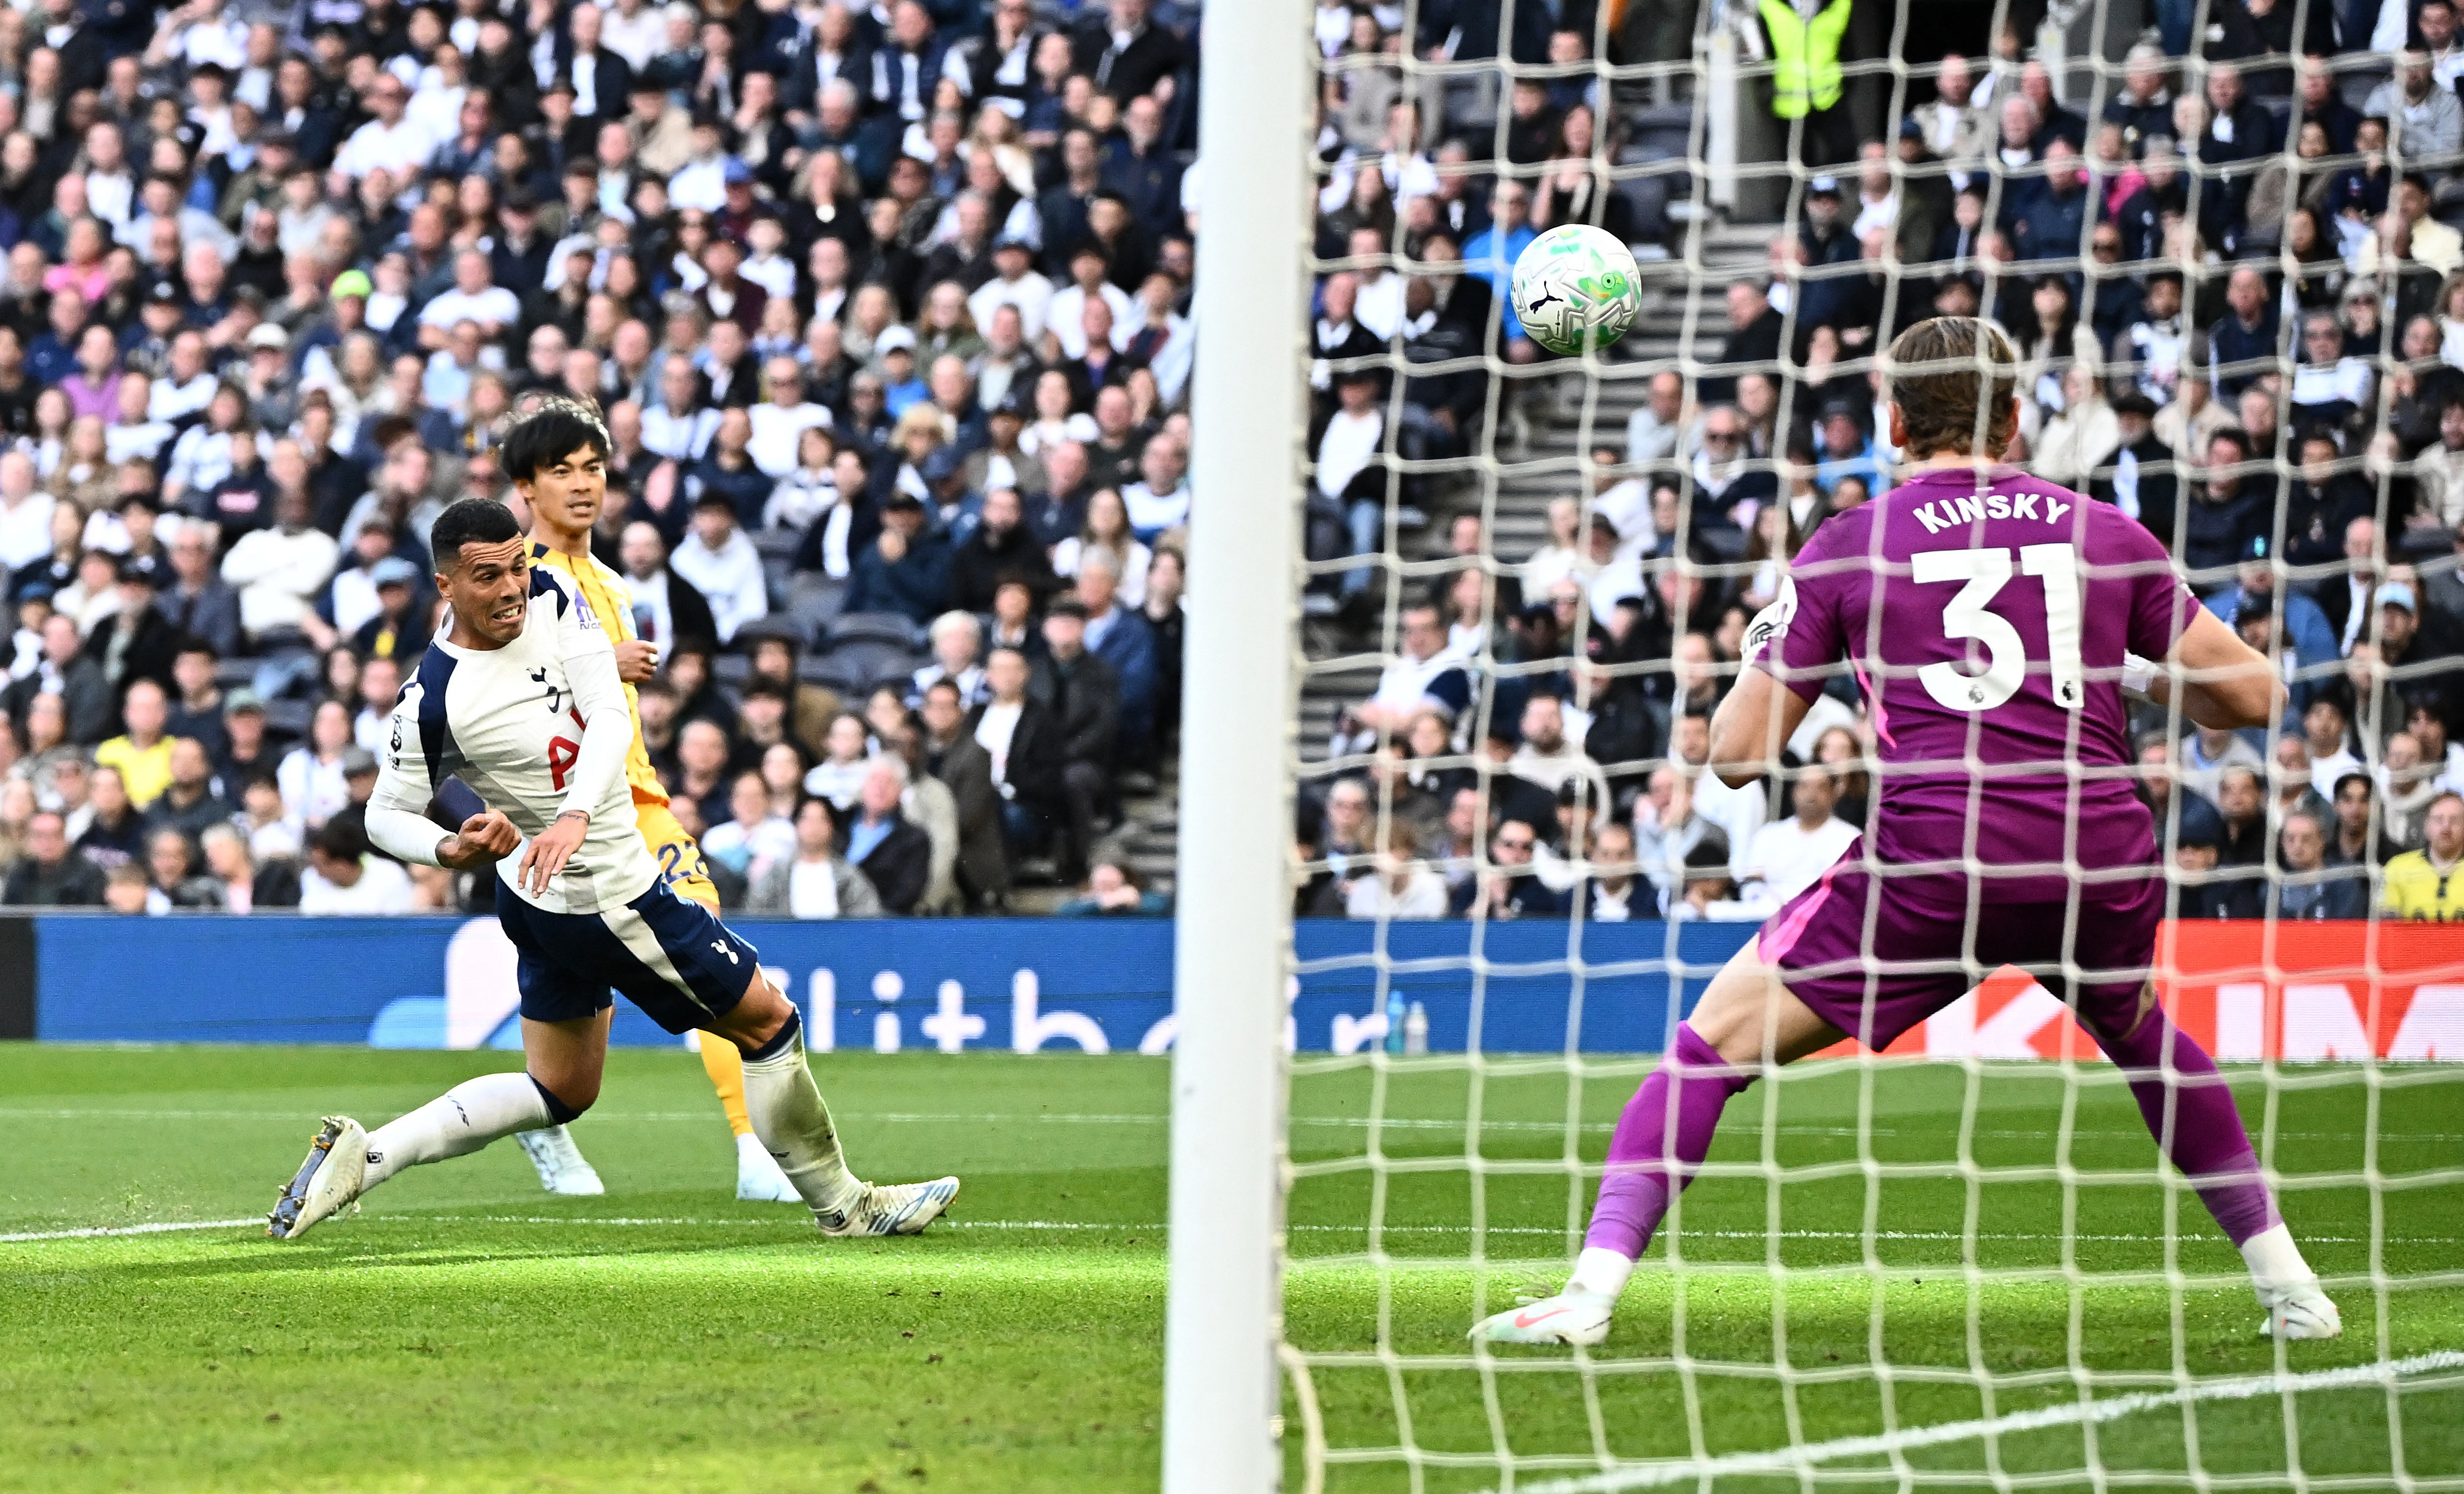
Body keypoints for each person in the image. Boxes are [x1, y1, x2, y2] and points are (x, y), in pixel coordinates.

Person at [1476, 316, 2339, 1348]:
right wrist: (2141, 672)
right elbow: (2252, 697)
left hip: (1937, 855)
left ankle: (1587, 1298)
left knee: (1706, 1050)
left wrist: (1771, 629)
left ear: (1892, 422)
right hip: (2092, 845)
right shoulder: (2103, 531)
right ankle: (2292, 1290)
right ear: (2014, 421)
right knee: (2141, 1036)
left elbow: (1738, 757)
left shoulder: (1848, 544)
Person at [267, 498, 956, 1244]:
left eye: (517, 565)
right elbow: (382, 813)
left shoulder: (554, 598)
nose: (510, 588)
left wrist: (571, 813)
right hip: (609, 897)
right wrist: (449, 848)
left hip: (546, 893)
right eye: (486, 575)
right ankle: (848, 1208)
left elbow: (608, 714)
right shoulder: (433, 699)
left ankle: (364, 1158)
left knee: (562, 1088)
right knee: (768, 1021)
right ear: (445, 587)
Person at [515, 395, 797, 1204]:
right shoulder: (517, 578)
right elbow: (498, 689)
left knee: (693, 960)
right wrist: (601, 659)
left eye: (593, 467)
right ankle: (745, 1145)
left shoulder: (611, 579)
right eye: (561, 469)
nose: (582, 484)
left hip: (637, 799)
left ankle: (751, 1149)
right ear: (526, 485)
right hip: (569, 812)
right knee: (663, 977)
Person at [2382, 790, 2464, 920]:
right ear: (2427, 827)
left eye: (2454, 820)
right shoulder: (2398, 867)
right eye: (2439, 820)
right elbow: (2388, 928)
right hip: (2409, 940)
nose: (2446, 828)